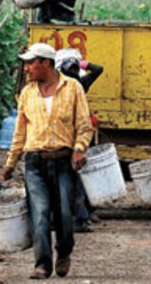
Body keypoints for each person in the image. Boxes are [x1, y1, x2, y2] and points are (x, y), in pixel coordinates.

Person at [1, 43, 94, 279]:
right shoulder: (27, 93)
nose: (27, 68)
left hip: (64, 160)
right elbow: (20, 133)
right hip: (35, 161)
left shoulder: (72, 88)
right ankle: (42, 264)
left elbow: (84, 126)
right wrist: (11, 163)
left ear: (45, 63)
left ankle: (64, 251)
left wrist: (79, 149)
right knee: (40, 213)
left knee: (64, 212)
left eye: (31, 63)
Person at [56, 48, 104, 232]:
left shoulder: (59, 86)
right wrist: (82, 62)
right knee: (79, 177)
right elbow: (98, 69)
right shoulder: (82, 83)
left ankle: (73, 217)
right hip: (82, 136)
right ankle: (84, 215)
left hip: (66, 136)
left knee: (67, 178)